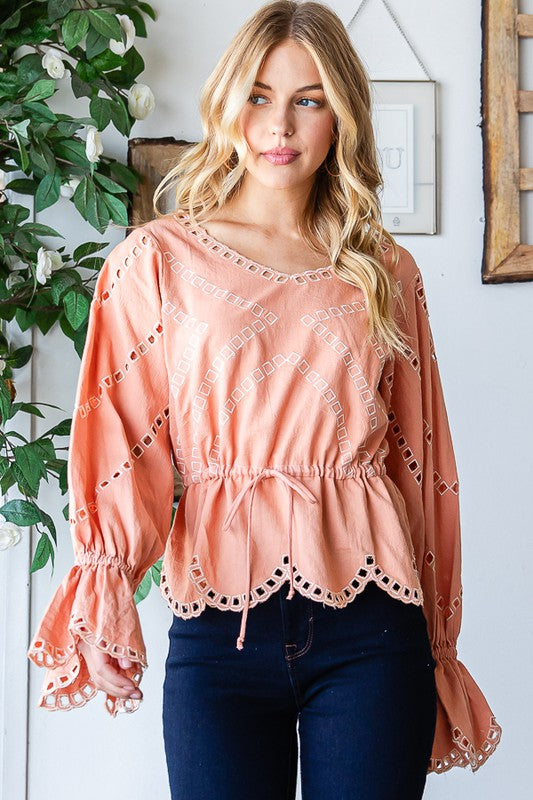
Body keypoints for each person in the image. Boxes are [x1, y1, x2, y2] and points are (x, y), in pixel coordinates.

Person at [27, 1, 502, 797]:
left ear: (341, 115)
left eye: (308, 100)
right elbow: (124, 441)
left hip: (372, 629)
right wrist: (107, 594)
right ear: (226, 104)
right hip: (217, 633)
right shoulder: (155, 260)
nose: (279, 125)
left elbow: (421, 468)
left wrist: (439, 642)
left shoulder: (383, 269)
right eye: (258, 96)